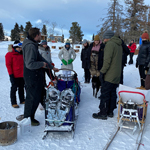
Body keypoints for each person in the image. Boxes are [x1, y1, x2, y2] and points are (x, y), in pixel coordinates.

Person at [22, 27, 59, 126]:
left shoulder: (33, 45)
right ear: (36, 35)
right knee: (32, 97)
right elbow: (29, 64)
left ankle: (50, 112)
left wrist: (51, 67)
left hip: (37, 76)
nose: (41, 36)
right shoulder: (30, 46)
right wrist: (42, 64)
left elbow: (40, 58)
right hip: (31, 76)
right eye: (40, 34)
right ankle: (28, 118)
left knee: (41, 94)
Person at [92, 30, 123, 120]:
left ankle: (103, 113)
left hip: (110, 74)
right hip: (117, 74)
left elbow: (107, 61)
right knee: (112, 93)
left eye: (105, 38)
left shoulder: (110, 45)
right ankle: (110, 111)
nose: (104, 40)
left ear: (108, 37)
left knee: (105, 93)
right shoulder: (119, 44)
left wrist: (102, 72)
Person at [5, 40, 25, 108]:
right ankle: (14, 102)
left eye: (21, 47)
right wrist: (11, 75)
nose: (20, 49)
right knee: (14, 88)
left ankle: (22, 99)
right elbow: (8, 65)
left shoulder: (22, 54)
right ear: (15, 47)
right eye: (18, 47)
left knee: (21, 88)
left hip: (22, 74)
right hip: (14, 75)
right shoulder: (9, 54)